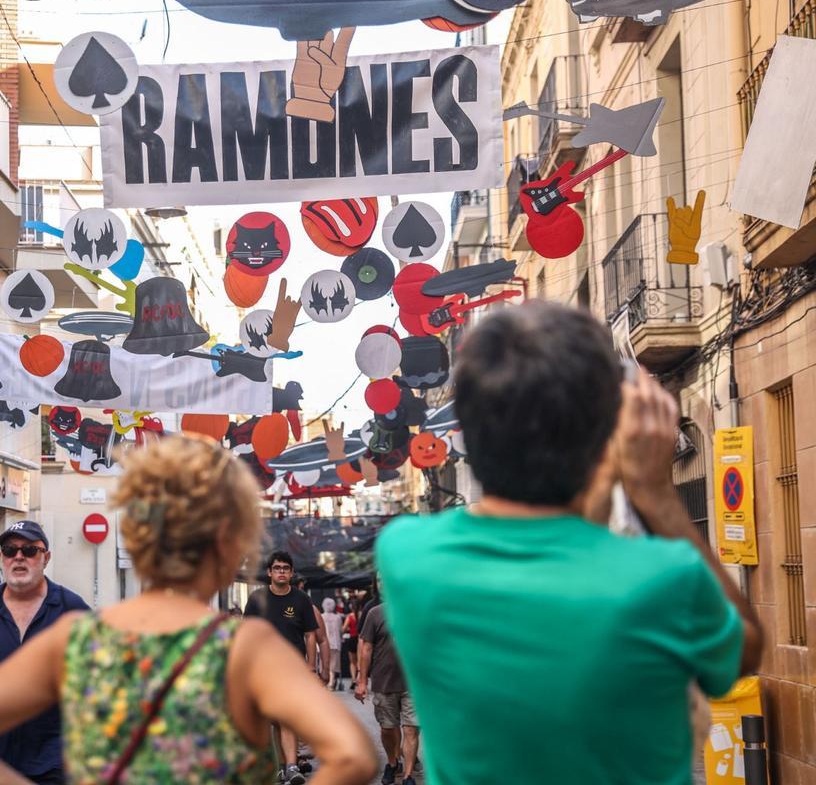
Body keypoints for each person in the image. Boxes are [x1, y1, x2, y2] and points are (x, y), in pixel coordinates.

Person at [376, 302, 764, 785]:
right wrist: (656, 495)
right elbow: (743, 653)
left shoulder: (408, 555)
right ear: (603, 432)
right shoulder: (662, 578)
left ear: (466, 432)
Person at [0, 435, 376, 785]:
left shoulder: (77, 636)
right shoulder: (244, 648)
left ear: (135, 539)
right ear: (229, 544)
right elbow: (352, 755)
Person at [0, 520, 88, 785]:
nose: (19, 557)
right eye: (10, 550)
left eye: (29, 550)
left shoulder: (72, 609)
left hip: (55, 763)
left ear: (46, 557)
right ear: (2, 558)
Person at [244, 551, 326, 783]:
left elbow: (311, 636)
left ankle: (290, 766)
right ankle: (281, 766)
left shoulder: (301, 599)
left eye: (285, 568)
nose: (281, 571)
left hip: (294, 670)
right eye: (277, 568)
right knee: (273, 720)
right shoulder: (257, 599)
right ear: (269, 572)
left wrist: (311, 667)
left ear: (291, 573)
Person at [355, 599, 420, 785]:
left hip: (413, 682)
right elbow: (366, 648)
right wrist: (361, 681)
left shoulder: (417, 610)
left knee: (411, 729)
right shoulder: (375, 613)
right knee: (388, 728)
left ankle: (408, 775)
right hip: (384, 681)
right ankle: (392, 763)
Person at [321, 598, 343, 690]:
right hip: (335, 643)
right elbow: (340, 630)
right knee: (333, 664)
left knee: (324, 663)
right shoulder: (337, 617)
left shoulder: (321, 616)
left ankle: (325, 682)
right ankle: (331, 682)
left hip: (323, 643)